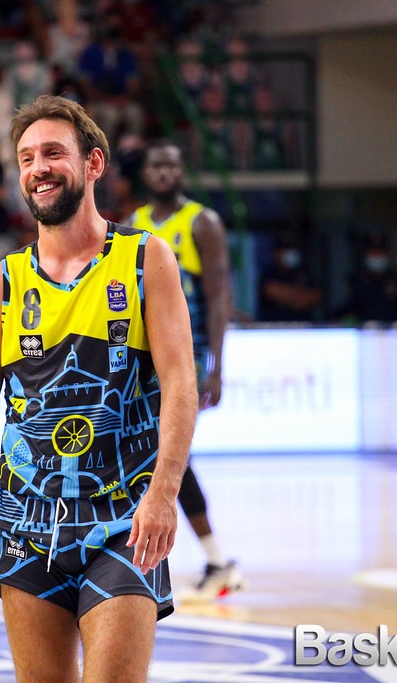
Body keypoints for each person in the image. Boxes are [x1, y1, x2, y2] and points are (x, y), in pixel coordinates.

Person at [0, 95, 198, 681]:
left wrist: (164, 493)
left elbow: (182, 384)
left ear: (93, 164)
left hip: (125, 520)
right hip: (26, 523)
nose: (39, 168)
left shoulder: (144, 260)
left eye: (53, 153)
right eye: (27, 158)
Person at [127, 139, 245, 601]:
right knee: (156, 453)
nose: (163, 172)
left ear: (182, 172)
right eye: (156, 165)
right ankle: (208, 560)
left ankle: (215, 561)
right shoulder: (133, 223)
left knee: (168, 453)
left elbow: (218, 299)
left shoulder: (202, 222)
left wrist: (216, 366)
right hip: (144, 356)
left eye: (171, 165)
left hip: (186, 355)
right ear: (145, 173)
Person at [258, 237, 322, 322]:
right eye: (283, 250)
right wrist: (297, 294)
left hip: (302, 325)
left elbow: (314, 296)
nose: (287, 253)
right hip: (275, 325)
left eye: (290, 250)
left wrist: (292, 296)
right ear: (276, 253)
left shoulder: (304, 273)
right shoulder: (269, 273)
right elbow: (271, 291)